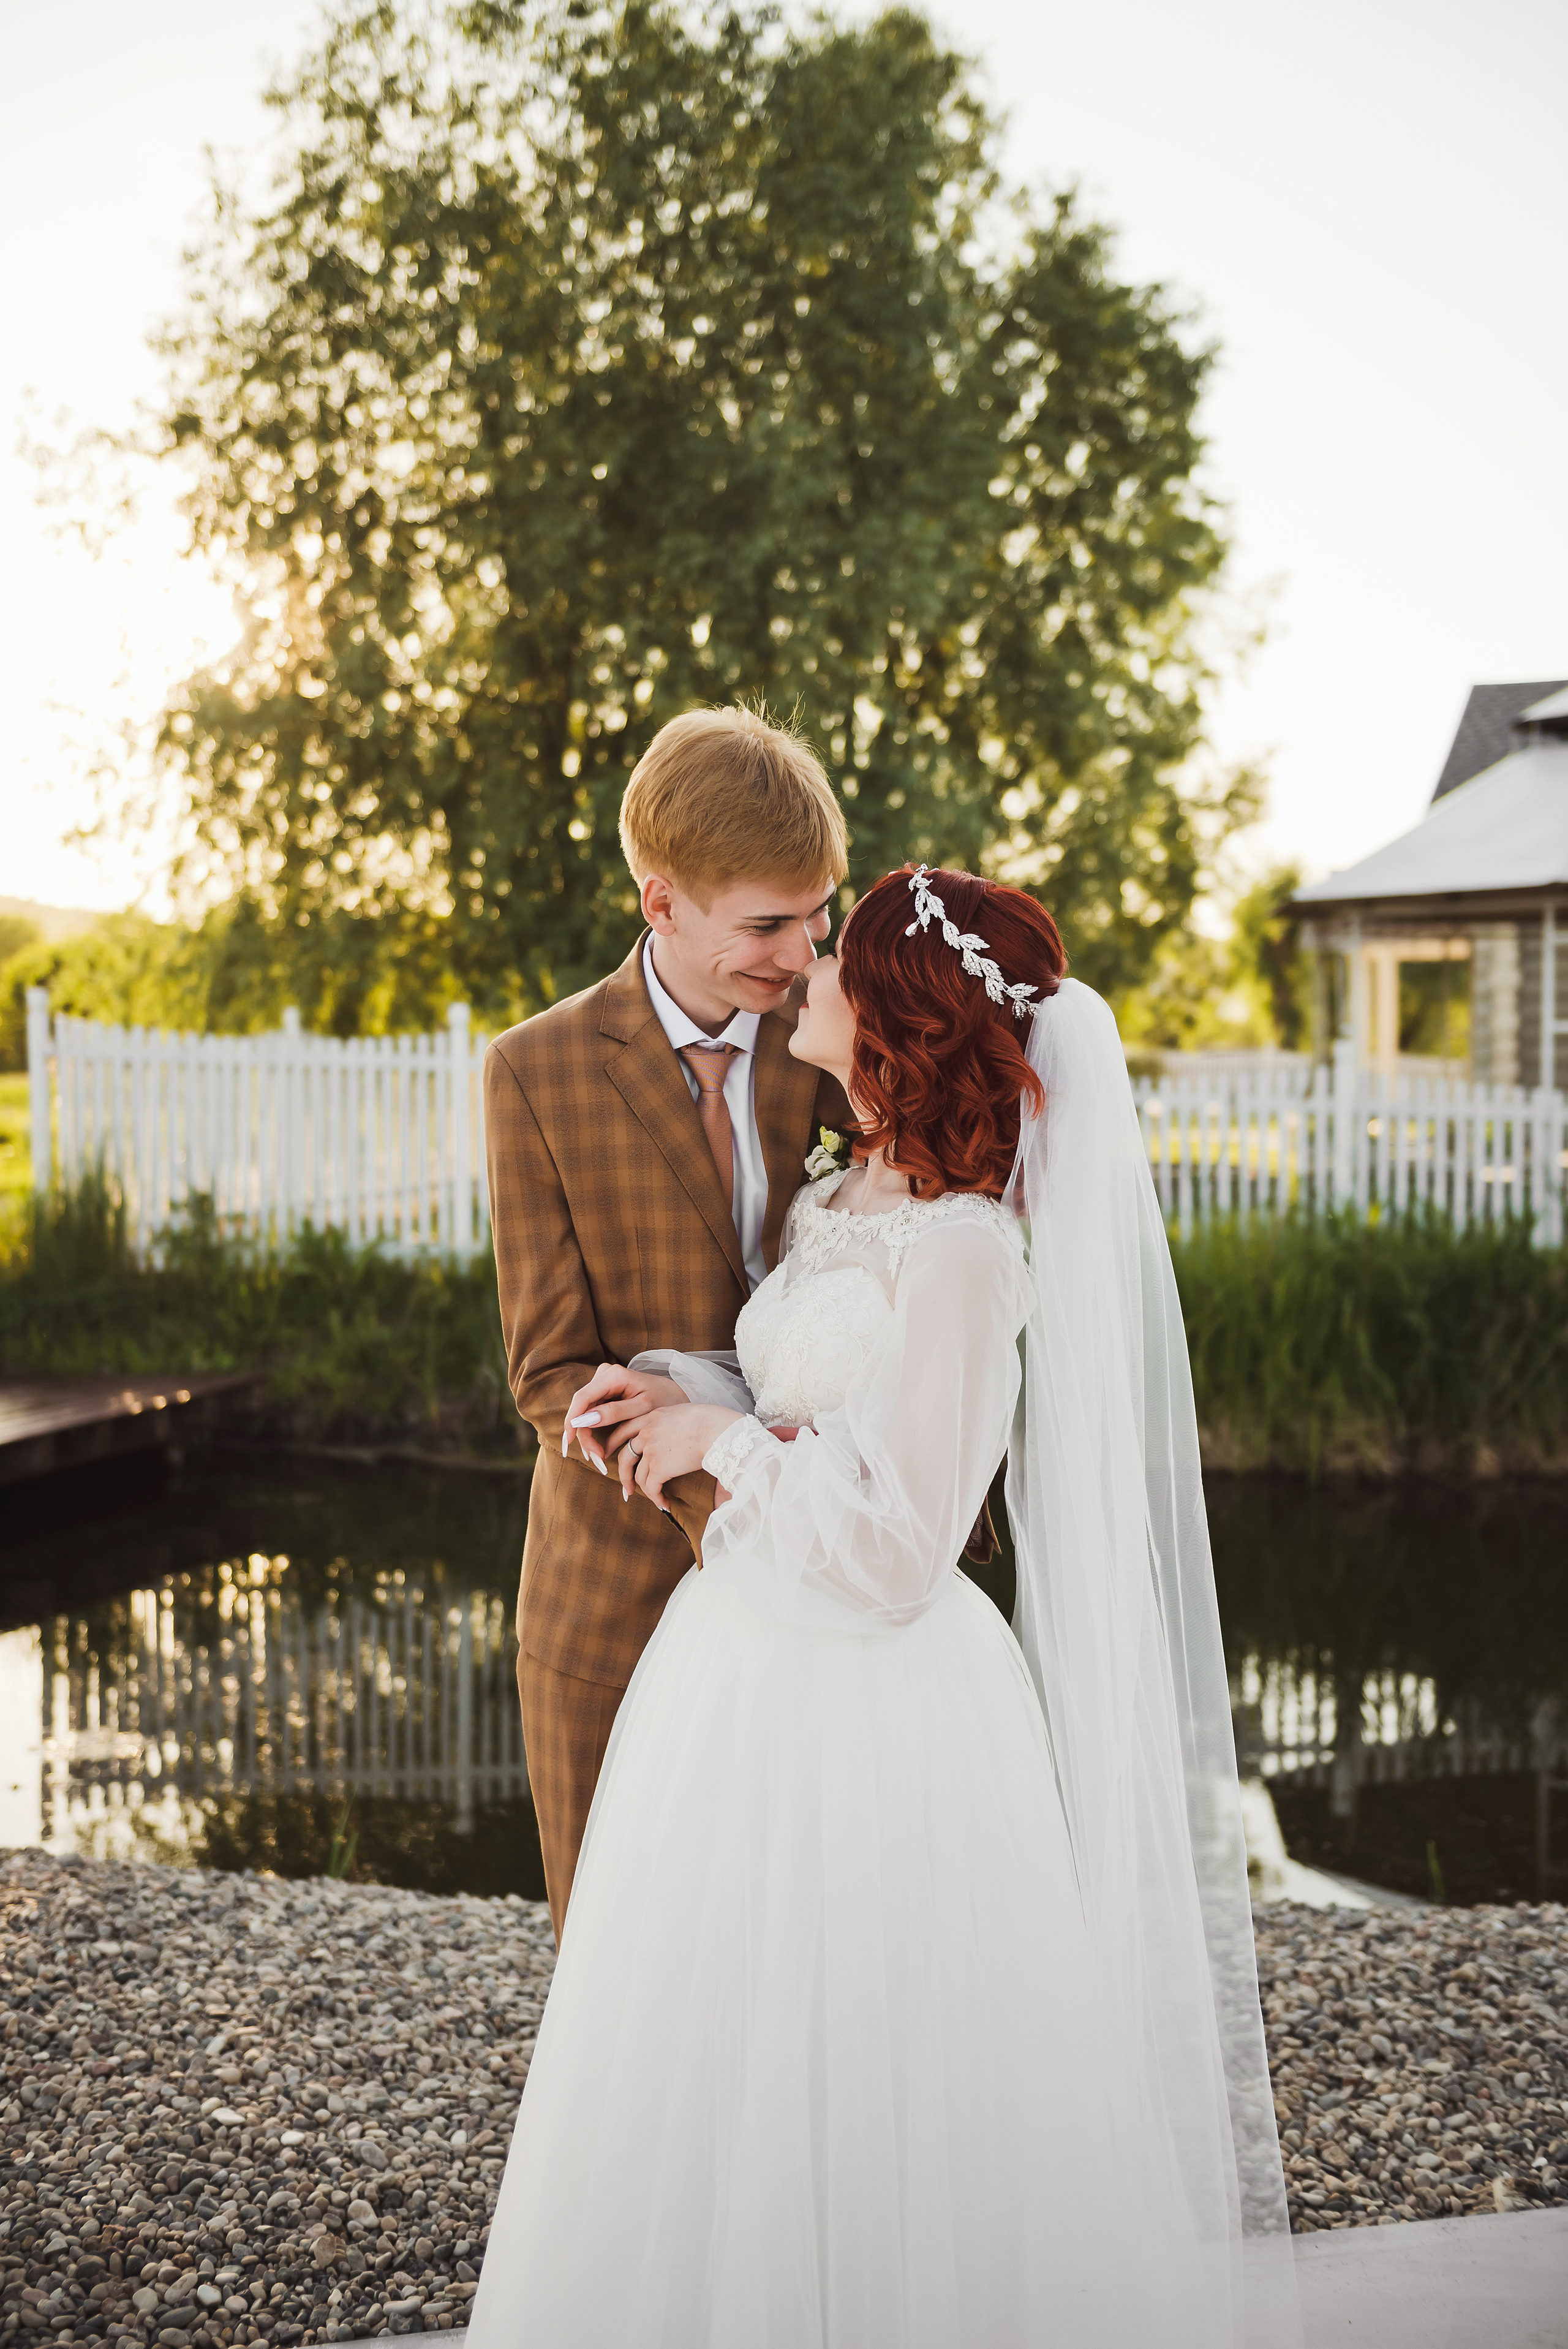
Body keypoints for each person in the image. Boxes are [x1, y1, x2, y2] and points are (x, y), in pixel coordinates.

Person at [469, 865, 1298, 2347]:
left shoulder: (967, 1251)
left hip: (879, 1701)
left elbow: (905, 1550)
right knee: (725, 2037)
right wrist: (689, 1389)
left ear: (893, 1018)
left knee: (871, 2041)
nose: (808, 967)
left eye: (836, 952)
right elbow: (822, 1407)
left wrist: (718, 1447)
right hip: (739, 1668)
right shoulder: (838, 1192)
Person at [483, 706, 853, 1939]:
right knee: (616, 1950)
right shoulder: (532, 1071)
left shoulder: (836, 1044)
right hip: (610, 1592)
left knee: (794, 1941)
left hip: (821, 1582)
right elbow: (548, 1371)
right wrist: (715, 1476)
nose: (803, 951)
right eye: (767, 925)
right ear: (662, 904)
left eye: (818, 914)